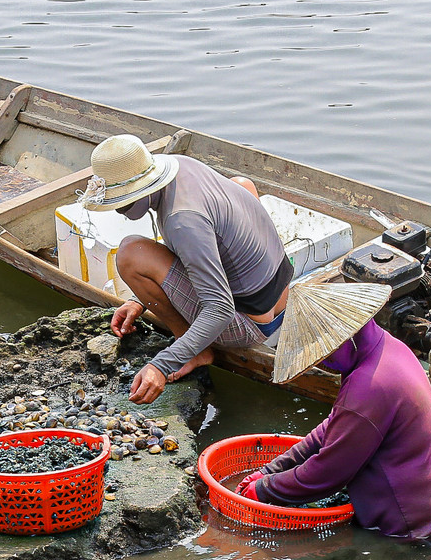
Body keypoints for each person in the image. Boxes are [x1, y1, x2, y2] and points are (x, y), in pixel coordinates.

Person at [236, 279, 431, 541]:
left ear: (347, 336)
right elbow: (333, 427)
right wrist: (270, 471)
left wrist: (261, 491)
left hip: (410, 530)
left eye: (326, 354)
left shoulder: (369, 387)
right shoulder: (387, 347)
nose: (326, 363)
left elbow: (328, 473)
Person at [79, 134, 291, 405]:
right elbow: (198, 244)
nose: (119, 211)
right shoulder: (180, 165)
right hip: (280, 291)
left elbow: (220, 310)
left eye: (122, 203)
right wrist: (139, 299)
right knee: (240, 185)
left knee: (131, 253)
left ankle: (196, 351)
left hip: (251, 322)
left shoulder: (181, 221)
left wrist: (162, 364)